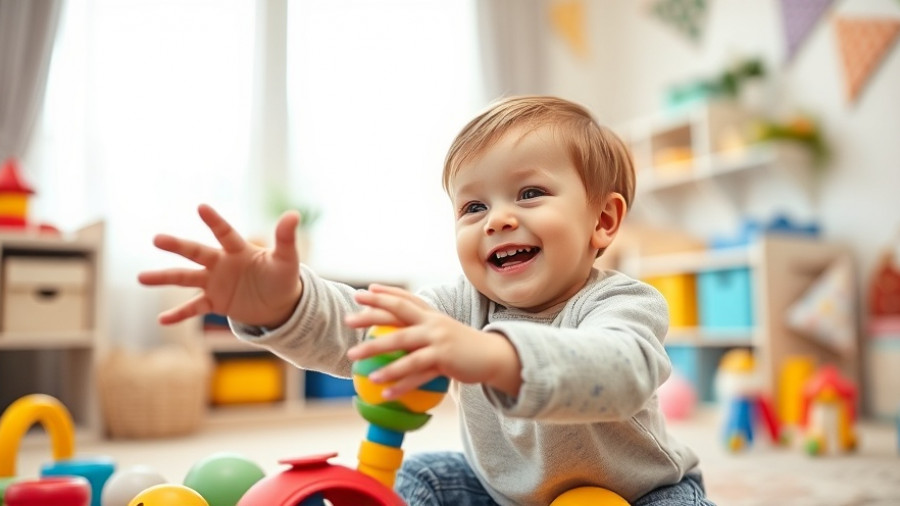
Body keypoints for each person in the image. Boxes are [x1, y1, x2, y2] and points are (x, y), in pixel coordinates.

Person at [139, 95, 715, 506]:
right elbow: (361, 334)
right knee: (422, 478)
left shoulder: (622, 301)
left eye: (530, 193)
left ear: (603, 220)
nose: (499, 220)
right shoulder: (455, 306)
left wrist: (493, 356)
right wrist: (281, 303)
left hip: (642, 491)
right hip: (504, 494)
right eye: (473, 207)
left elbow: (621, 372)